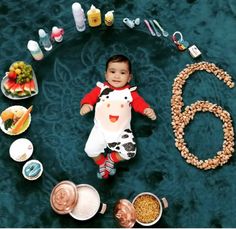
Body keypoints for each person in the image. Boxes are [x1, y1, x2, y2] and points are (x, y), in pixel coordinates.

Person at [80, 54, 156, 179]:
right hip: (100, 129)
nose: (116, 76)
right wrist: (86, 104)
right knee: (89, 149)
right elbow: (89, 97)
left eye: (122, 73)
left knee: (130, 152)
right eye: (112, 71)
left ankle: (111, 158)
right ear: (106, 75)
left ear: (129, 77)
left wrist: (146, 109)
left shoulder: (130, 92)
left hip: (122, 132)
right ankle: (101, 162)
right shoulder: (101, 89)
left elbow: (139, 103)